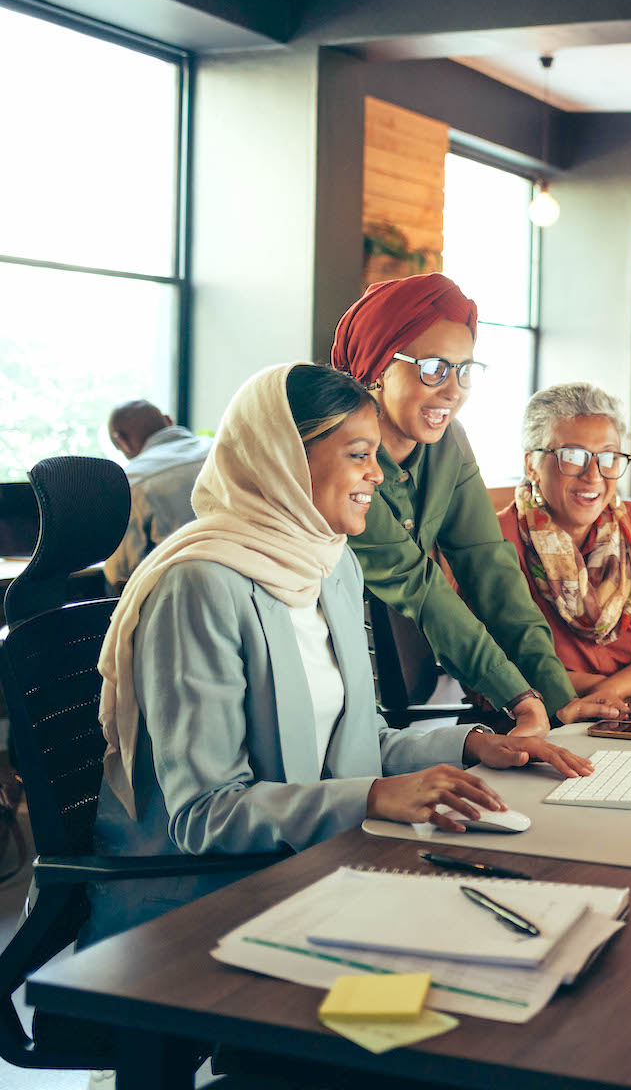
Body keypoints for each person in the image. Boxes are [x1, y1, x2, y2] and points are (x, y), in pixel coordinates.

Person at [89, 363, 592, 943]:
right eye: (359, 454)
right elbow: (206, 815)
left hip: (324, 870)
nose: (377, 475)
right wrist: (376, 795)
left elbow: (356, 741)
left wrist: (473, 743)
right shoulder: (202, 586)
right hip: (210, 910)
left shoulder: (329, 565)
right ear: (283, 458)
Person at [332, 273, 616, 737]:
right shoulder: (340, 453)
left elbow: (490, 569)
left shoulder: (449, 443)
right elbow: (417, 583)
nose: (453, 390)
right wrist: (519, 696)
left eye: (464, 370)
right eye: (433, 369)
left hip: (392, 707)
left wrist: (558, 699)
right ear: (378, 367)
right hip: (320, 673)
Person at [498, 383, 631, 709]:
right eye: (572, 456)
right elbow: (496, 672)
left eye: (608, 457)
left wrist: (612, 691)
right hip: (536, 721)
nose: (593, 475)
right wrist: (610, 690)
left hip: (628, 709)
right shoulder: (496, 539)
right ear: (532, 466)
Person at [103, 400, 212, 585]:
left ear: (121, 440)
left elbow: (120, 573)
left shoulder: (132, 481)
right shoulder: (225, 449)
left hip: (183, 595)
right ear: (169, 421)